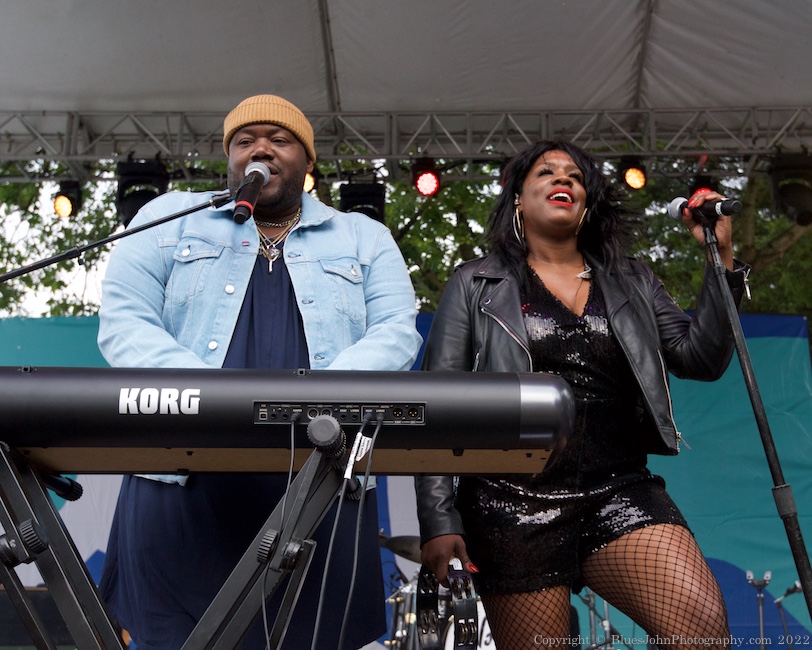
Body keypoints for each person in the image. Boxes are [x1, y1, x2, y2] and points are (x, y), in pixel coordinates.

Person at [97, 94, 423, 650]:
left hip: (321, 473)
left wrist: (324, 397)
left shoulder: (363, 237)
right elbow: (124, 321)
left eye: (280, 139)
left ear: (308, 161)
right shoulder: (169, 219)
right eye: (245, 141)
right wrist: (205, 396)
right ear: (230, 158)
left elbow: (397, 331)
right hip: (182, 476)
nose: (261, 149)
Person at [415, 140, 750, 649]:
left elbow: (700, 358)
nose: (563, 180)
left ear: (587, 201)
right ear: (518, 199)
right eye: (546, 173)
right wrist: (439, 519)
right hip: (511, 502)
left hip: (619, 490)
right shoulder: (475, 283)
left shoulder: (631, 279)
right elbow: (438, 406)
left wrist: (719, 256)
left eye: (574, 176)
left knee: (701, 632)